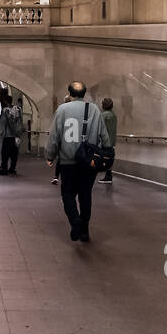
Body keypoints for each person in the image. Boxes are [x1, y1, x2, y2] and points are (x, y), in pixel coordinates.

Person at [45, 81, 106, 243]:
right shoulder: (93, 109)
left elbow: (55, 136)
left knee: (68, 194)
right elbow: (104, 135)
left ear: (69, 93)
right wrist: (106, 153)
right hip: (89, 162)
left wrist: (50, 155)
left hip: (67, 161)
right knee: (86, 195)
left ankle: (75, 221)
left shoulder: (62, 109)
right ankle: (84, 231)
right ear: (84, 93)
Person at [0, 95, 24, 176]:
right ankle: (12, 168)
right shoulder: (18, 109)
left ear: (5, 102)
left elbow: (3, 122)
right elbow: (21, 121)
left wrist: (1, 132)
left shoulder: (5, 110)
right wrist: (19, 131)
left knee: (5, 153)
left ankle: (4, 169)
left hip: (8, 136)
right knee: (14, 153)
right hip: (16, 136)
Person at [100, 97, 118, 184]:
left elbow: (100, 129)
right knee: (110, 158)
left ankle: (107, 177)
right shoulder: (113, 115)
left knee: (103, 159)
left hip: (104, 141)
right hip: (111, 141)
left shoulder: (103, 115)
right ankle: (109, 175)